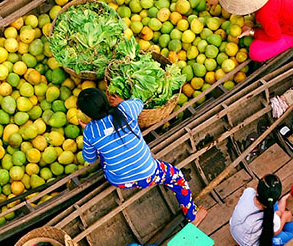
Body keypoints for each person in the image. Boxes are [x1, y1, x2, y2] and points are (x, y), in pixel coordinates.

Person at [79, 88, 206, 224]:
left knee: (101, 151)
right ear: (105, 100)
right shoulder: (125, 109)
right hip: (149, 173)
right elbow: (139, 103)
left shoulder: (89, 132)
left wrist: (90, 131)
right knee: (177, 177)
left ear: (87, 113)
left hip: (120, 181)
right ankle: (193, 217)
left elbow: (90, 158)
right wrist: (121, 102)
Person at [211, 0, 293, 62]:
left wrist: (252, 32)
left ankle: (290, 40)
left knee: (255, 52)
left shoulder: (264, 14)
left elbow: (275, 35)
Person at [229, 174, 293, 246]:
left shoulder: (248, 192)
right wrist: (285, 219)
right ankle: (288, 223)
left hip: (235, 229)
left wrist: (281, 211)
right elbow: (274, 232)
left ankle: (282, 214)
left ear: (257, 190)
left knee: (279, 214)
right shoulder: (271, 219)